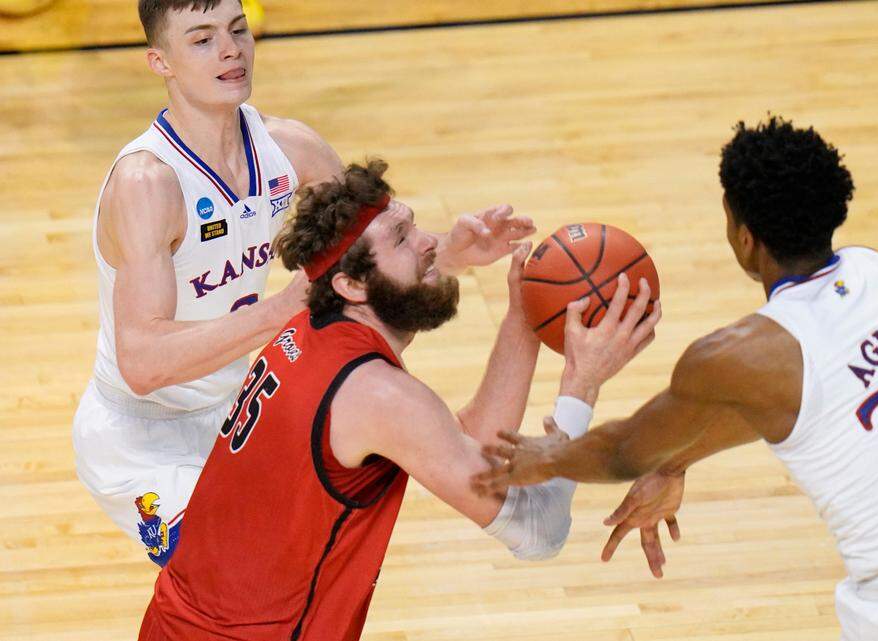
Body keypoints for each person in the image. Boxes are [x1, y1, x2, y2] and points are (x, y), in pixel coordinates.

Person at [474, 117, 878, 641]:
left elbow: (625, 449)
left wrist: (551, 456)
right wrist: (676, 463)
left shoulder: (737, 355)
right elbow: (797, 404)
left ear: (744, 236)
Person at [72, 0, 534, 566]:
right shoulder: (148, 184)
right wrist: (281, 309)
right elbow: (143, 363)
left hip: (238, 408)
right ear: (159, 62)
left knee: (306, 567)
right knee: (232, 574)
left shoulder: (291, 148)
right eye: (201, 39)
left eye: (238, 30)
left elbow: (374, 250)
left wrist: (456, 250)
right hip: (141, 437)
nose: (229, 49)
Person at [137, 159, 662, 640]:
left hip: (178, 623)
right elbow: (539, 531)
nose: (429, 243)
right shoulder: (377, 393)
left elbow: (465, 451)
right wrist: (581, 385)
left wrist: (523, 321)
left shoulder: (310, 334)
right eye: (404, 237)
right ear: (352, 285)